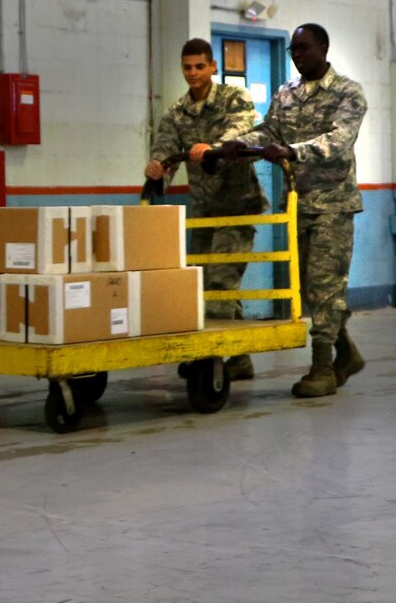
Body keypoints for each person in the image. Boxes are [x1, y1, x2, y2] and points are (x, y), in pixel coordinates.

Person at [213, 24, 368, 399]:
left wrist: (294, 151)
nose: (298, 55)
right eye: (293, 50)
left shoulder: (348, 92)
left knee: (326, 285)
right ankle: (346, 353)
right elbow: (269, 132)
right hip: (297, 204)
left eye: (305, 48)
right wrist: (235, 143)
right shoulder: (286, 93)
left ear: (324, 48)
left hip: (333, 204)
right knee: (312, 289)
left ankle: (322, 369)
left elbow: (339, 139)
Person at [146, 38, 266, 378]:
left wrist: (211, 148)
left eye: (200, 66)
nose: (193, 73)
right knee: (199, 282)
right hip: (202, 209)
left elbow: (241, 129)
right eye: (187, 67)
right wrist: (157, 167)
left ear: (213, 66)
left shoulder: (234, 98)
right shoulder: (176, 111)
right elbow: (165, 148)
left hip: (237, 204)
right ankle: (239, 357)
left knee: (222, 282)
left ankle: (212, 357)